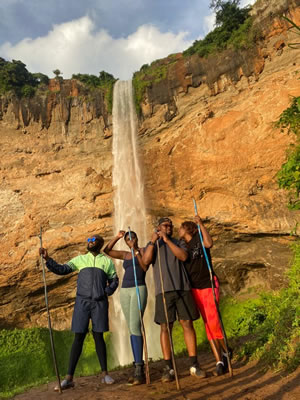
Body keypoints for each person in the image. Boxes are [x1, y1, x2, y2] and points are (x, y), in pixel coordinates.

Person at [39, 234, 119, 390]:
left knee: (99, 337)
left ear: (100, 244)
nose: (89, 242)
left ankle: (105, 374)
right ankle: (68, 378)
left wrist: (106, 292)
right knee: (78, 338)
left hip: (99, 303)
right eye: (88, 240)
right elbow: (62, 269)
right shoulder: (80, 259)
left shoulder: (107, 262)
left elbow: (114, 280)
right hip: (82, 303)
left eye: (93, 240)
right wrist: (48, 259)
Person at [142, 217, 206, 382]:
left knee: (187, 323)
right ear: (158, 227)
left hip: (182, 288)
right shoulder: (153, 245)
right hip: (163, 291)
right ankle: (168, 367)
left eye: (170, 226)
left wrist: (167, 240)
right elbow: (146, 261)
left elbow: (183, 257)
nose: (168, 227)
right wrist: (152, 241)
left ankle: (194, 363)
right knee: (165, 327)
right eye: (165, 225)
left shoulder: (179, 242)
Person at [179, 215, 231, 376]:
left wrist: (200, 224)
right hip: (195, 289)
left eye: (181, 227)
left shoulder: (199, 239)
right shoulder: (183, 247)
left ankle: (226, 351)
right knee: (207, 324)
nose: (178, 230)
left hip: (208, 284)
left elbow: (209, 243)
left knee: (214, 321)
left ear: (188, 229)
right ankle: (219, 361)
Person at [104, 230, 148, 385]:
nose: (130, 240)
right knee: (131, 328)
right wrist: (117, 237)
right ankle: (137, 365)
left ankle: (139, 369)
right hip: (125, 291)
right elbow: (106, 250)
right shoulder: (124, 254)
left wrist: (136, 251)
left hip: (139, 288)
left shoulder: (143, 251)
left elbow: (144, 267)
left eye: (132, 237)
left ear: (136, 238)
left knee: (136, 326)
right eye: (127, 238)